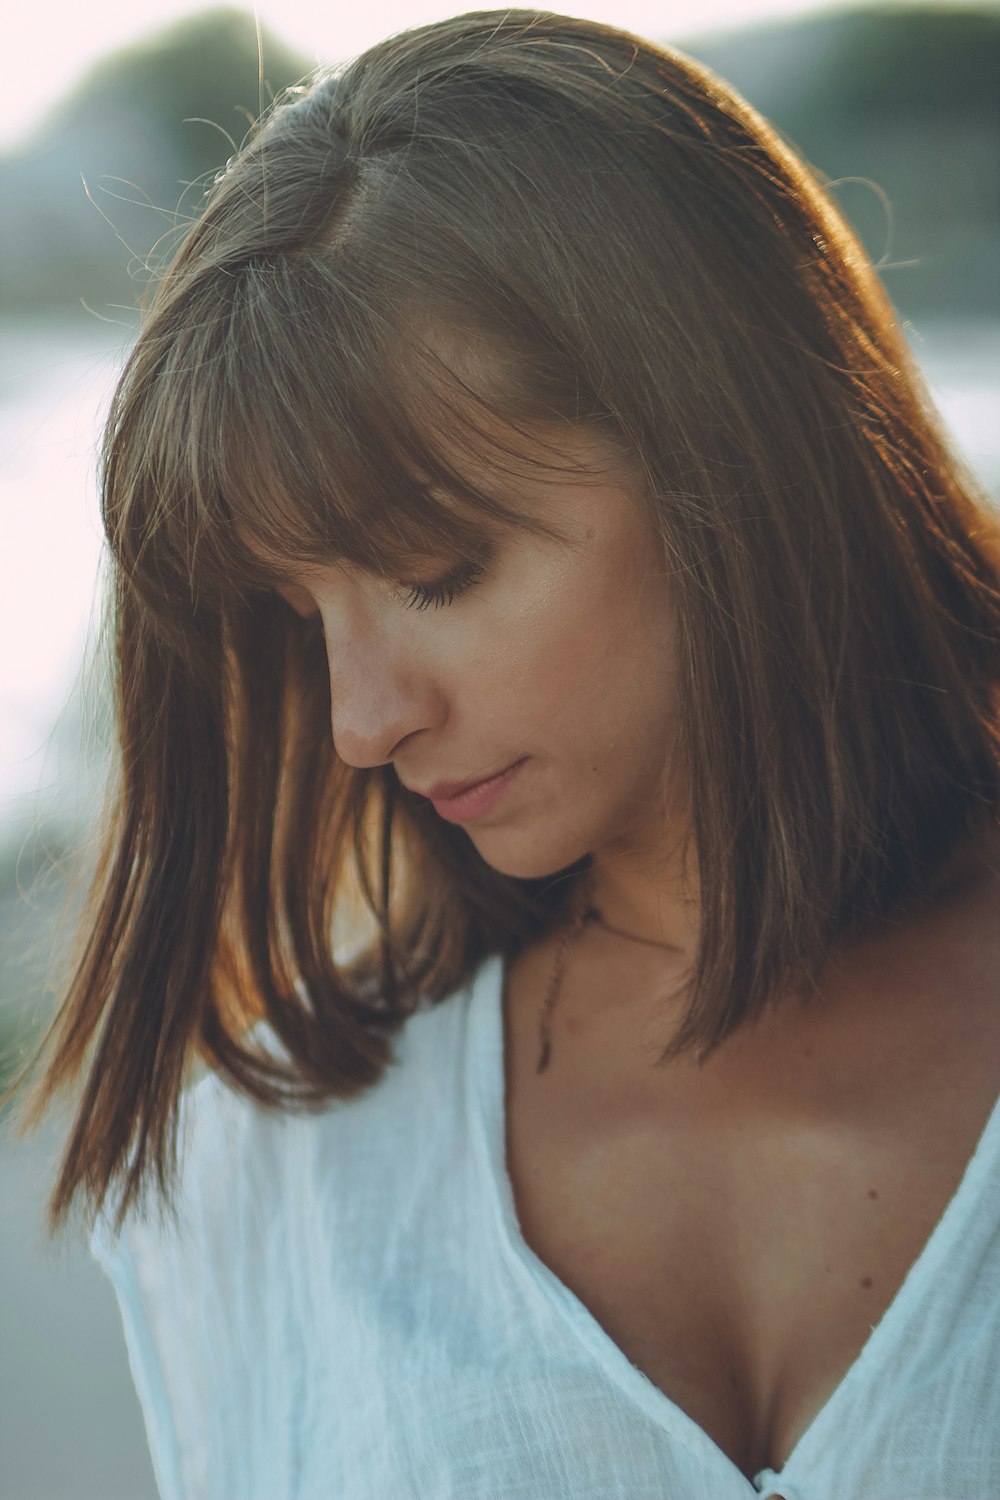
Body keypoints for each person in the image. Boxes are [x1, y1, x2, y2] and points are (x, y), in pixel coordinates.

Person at [7, 9, 1000, 1498]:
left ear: (728, 451)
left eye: (435, 571)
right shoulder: (276, 1176)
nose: (361, 721)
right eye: (297, 615)